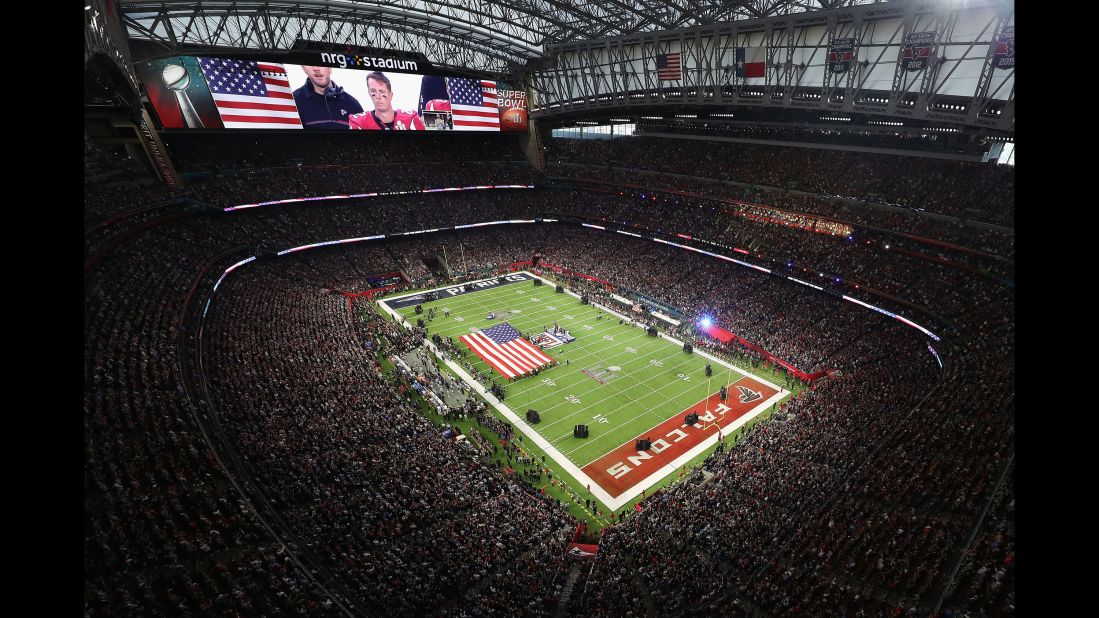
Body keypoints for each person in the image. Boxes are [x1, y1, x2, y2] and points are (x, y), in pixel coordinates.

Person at [292, 66, 364, 129]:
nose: (316, 68)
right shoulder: (293, 102)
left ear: (330, 68)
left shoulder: (353, 104)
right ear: (304, 68)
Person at [349, 72, 426, 130]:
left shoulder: (410, 118)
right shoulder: (359, 122)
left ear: (391, 95)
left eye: (382, 92)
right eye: (373, 92)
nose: (378, 97)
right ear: (369, 94)